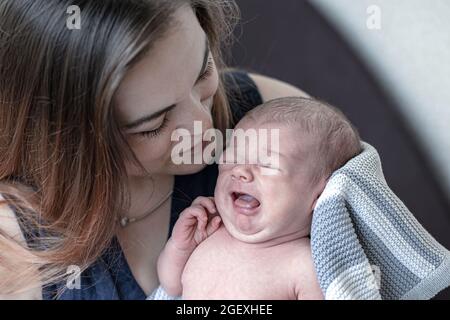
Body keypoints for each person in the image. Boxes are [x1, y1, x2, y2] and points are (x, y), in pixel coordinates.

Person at [0, 1, 309, 299]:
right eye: (154, 124)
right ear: (69, 140)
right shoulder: (14, 251)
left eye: (203, 71)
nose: (204, 127)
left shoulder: (278, 122)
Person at [157, 97, 361, 299]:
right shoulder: (211, 231)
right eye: (232, 157)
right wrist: (179, 246)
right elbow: (172, 287)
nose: (239, 171)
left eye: (267, 164)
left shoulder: (303, 266)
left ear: (321, 196)